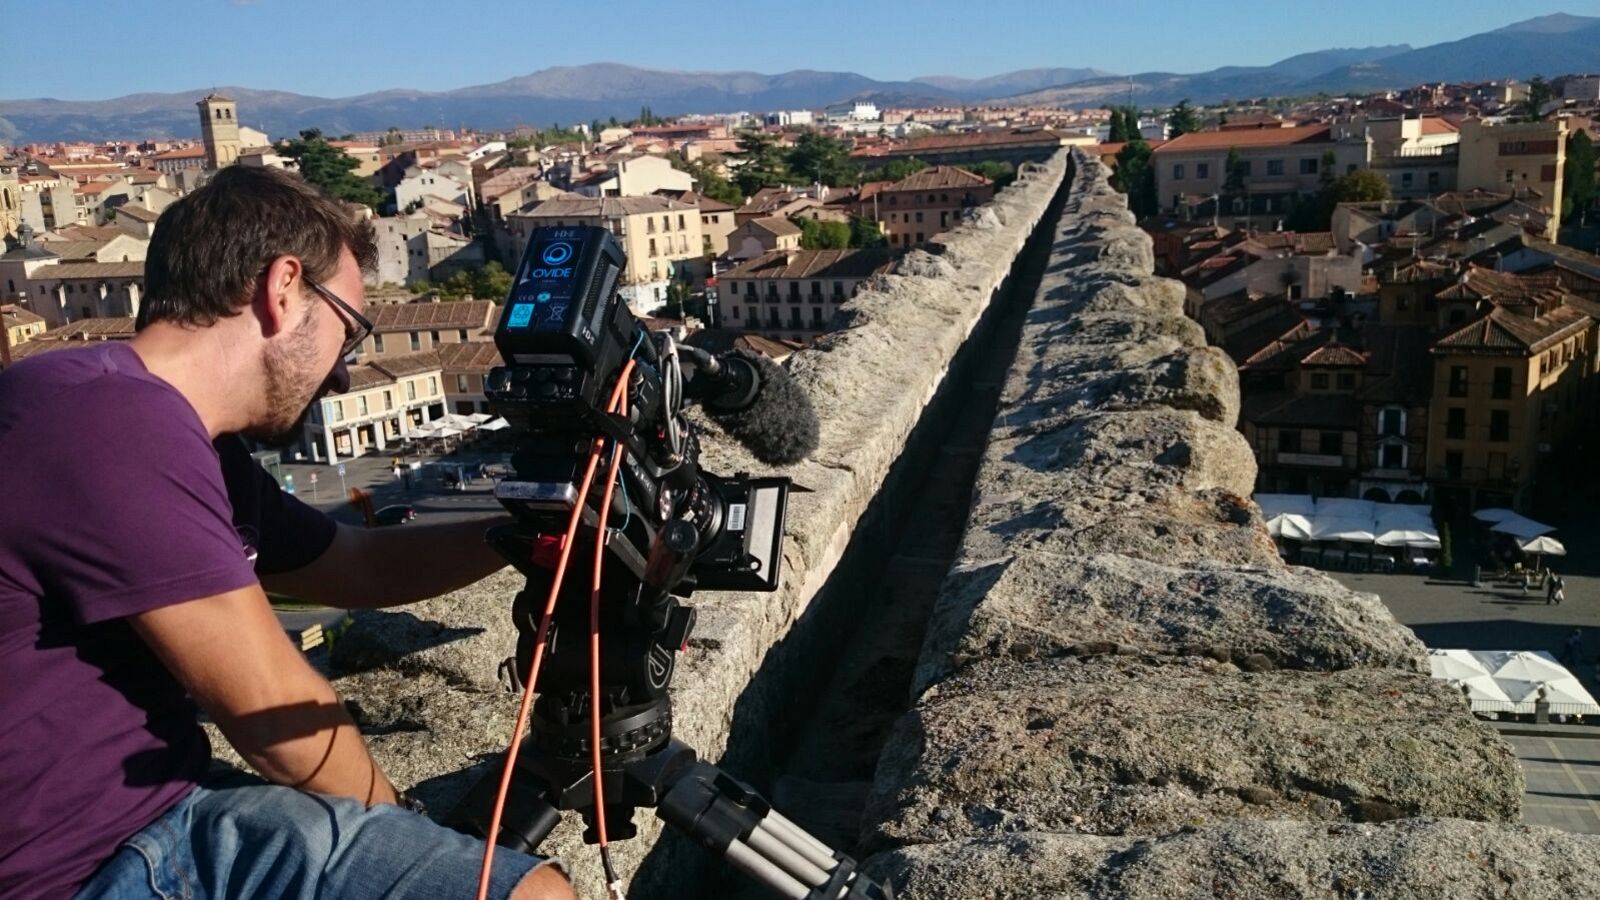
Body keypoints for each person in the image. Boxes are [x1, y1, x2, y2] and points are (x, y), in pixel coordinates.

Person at [0, 167, 572, 900]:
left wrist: (537, 531)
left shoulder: (175, 431)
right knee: (531, 896)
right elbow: (270, 711)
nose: (343, 371)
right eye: (350, 328)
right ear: (283, 289)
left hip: (144, 816)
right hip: (85, 866)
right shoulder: (111, 422)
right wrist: (407, 832)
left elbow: (355, 565)